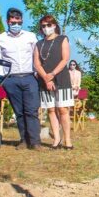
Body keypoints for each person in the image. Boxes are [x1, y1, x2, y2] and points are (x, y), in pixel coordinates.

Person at [0, 8, 40, 149]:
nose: (16, 24)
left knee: (31, 110)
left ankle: (35, 141)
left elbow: (36, 57)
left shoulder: (30, 37)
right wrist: (1, 80)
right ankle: (24, 140)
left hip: (30, 77)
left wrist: (38, 74)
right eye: (13, 22)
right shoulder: (0, 39)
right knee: (19, 111)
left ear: (22, 21)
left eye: (18, 22)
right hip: (11, 79)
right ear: (8, 21)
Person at [33, 15, 74, 149]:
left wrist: (52, 74)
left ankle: (67, 140)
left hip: (61, 78)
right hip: (44, 80)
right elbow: (37, 64)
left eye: (48, 25)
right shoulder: (38, 44)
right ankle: (56, 139)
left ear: (54, 25)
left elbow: (65, 59)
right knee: (51, 109)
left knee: (63, 109)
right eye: (43, 26)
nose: (46, 28)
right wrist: (45, 77)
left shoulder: (63, 39)